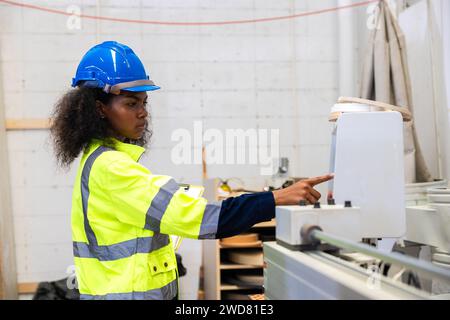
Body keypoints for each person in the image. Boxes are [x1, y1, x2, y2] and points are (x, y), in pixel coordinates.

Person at [50, 41, 333, 300]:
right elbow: (202, 219)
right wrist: (276, 199)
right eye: (131, 103)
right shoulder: (111, 168)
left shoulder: (100, 160)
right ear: (99, 109)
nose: (142, 113)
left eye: (144, 103)